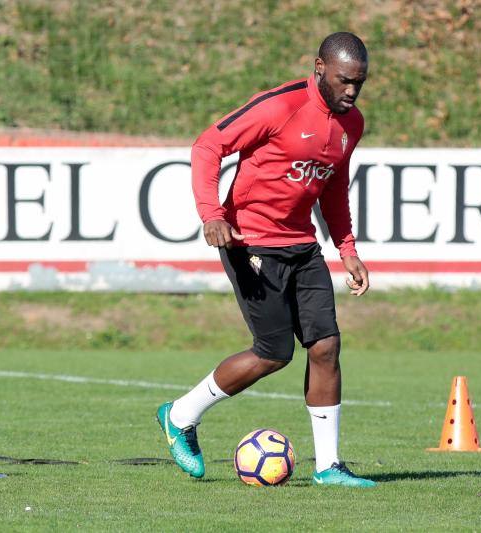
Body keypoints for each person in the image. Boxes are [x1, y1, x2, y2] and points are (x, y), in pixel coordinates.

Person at [156, 32, 376, 488]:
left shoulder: (351, 124)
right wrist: (212, 215)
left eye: (360, 82)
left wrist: (348, 249)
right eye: (343, 81)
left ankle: (328, 466)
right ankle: (180, 415)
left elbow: (333, 188)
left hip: (303, 246)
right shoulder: (279, 106)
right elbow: (206, 146)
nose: (351, 91)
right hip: (250, 243)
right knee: (273, 353)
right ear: (319, 67)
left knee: (326, 347)